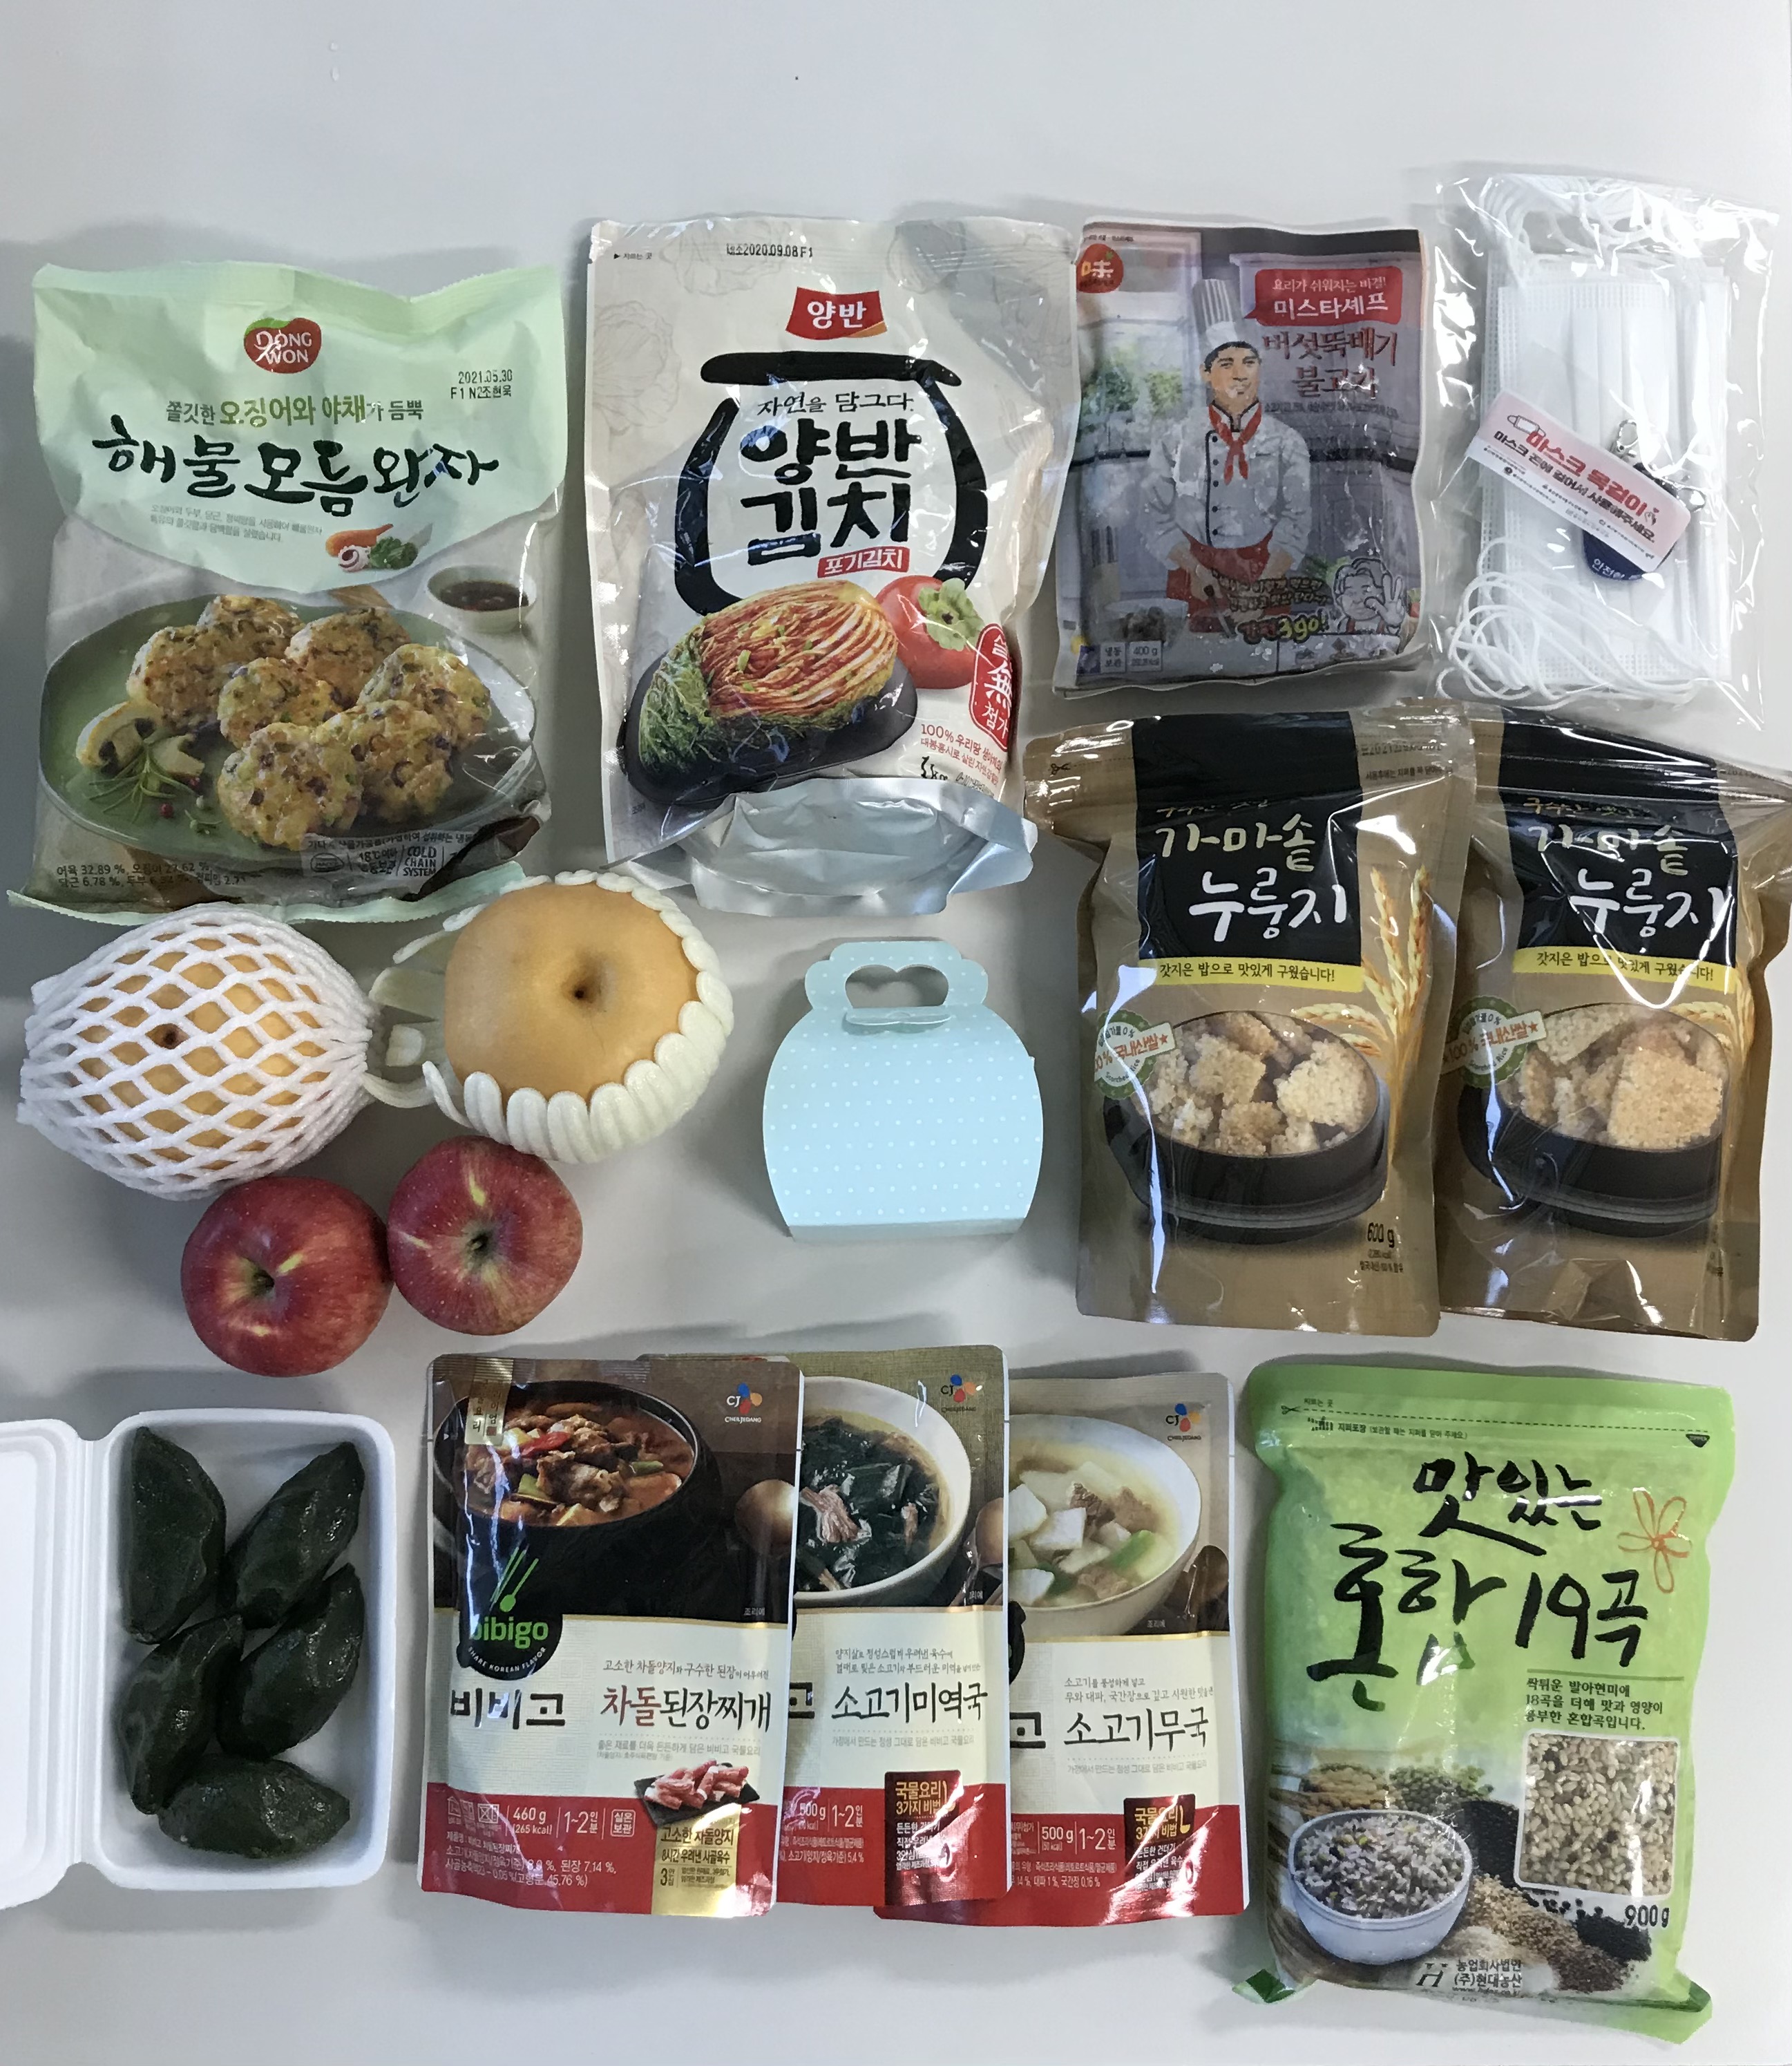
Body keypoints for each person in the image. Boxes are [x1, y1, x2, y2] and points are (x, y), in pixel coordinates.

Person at [1141, 283, 1310, 622]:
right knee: (1189, 652)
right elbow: (1152, 514)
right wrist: (1194, 569)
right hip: (1192, 574)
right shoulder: (1176, 438)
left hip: (1267, 573)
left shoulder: (1287, 441)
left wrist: (1263, 588)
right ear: (1206, 374)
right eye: (1226, 363)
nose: (1239, 375)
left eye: (1249, 363)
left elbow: (1297, 520)